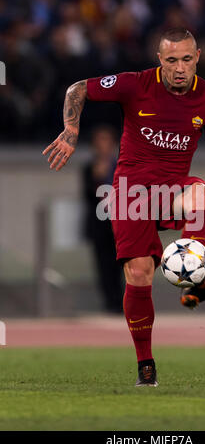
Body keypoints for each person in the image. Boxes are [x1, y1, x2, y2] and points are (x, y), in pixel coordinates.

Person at [42, 28, 205, 387]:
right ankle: (145, 364)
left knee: (203, 194)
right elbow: (78, 88)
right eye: (171, 60)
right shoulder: (135, 85)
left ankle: (193, 283)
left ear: (197, 56)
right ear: (159, 59)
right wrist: (71, 130)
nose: (179, 68)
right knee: (139, 275)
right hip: (130, 192)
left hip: (171, 189)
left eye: (186, 59)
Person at [82, 126, 124, 314]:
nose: (103, 145)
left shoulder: (122, 166)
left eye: (106, 140)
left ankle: (122, 302)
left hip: (120, 225)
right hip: (99, 225)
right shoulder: (89, 168)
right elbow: (87, 196)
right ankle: (109, 303)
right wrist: (96, 178)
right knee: (103, 265)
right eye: (100, 140)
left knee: (122, 266)